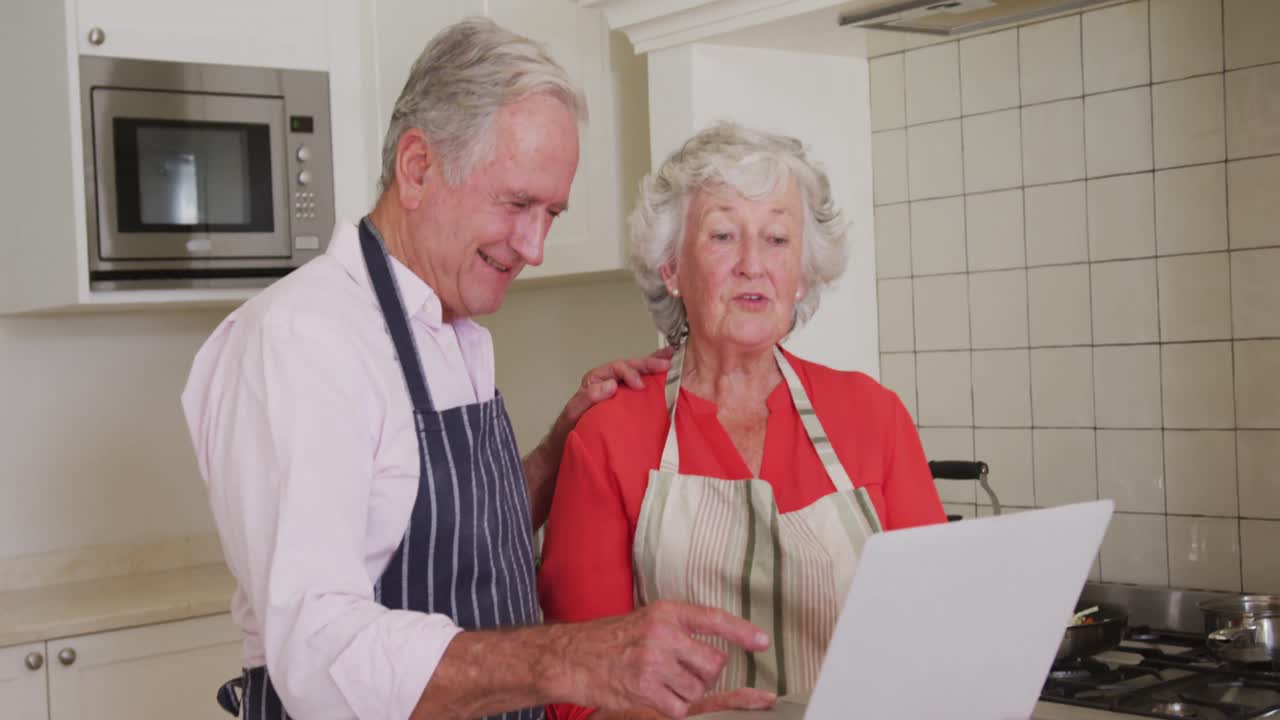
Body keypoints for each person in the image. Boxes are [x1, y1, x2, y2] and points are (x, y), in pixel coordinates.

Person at [181, 19, 769, 720]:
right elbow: (320, 652)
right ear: (419, 168)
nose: (536, 245)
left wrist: (556, 450)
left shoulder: (452, 328)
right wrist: (573, 658)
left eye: (551, 212)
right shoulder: (302, 341)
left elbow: (448, 551)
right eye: (518, 204)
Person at [537, 122, 948, 719]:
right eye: (723, 235)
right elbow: (576, 696)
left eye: (778, 239)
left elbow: (937, 630)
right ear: (672, 269)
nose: (753, 264)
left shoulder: (873, 416)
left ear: (802, 272)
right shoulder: (609, 435)